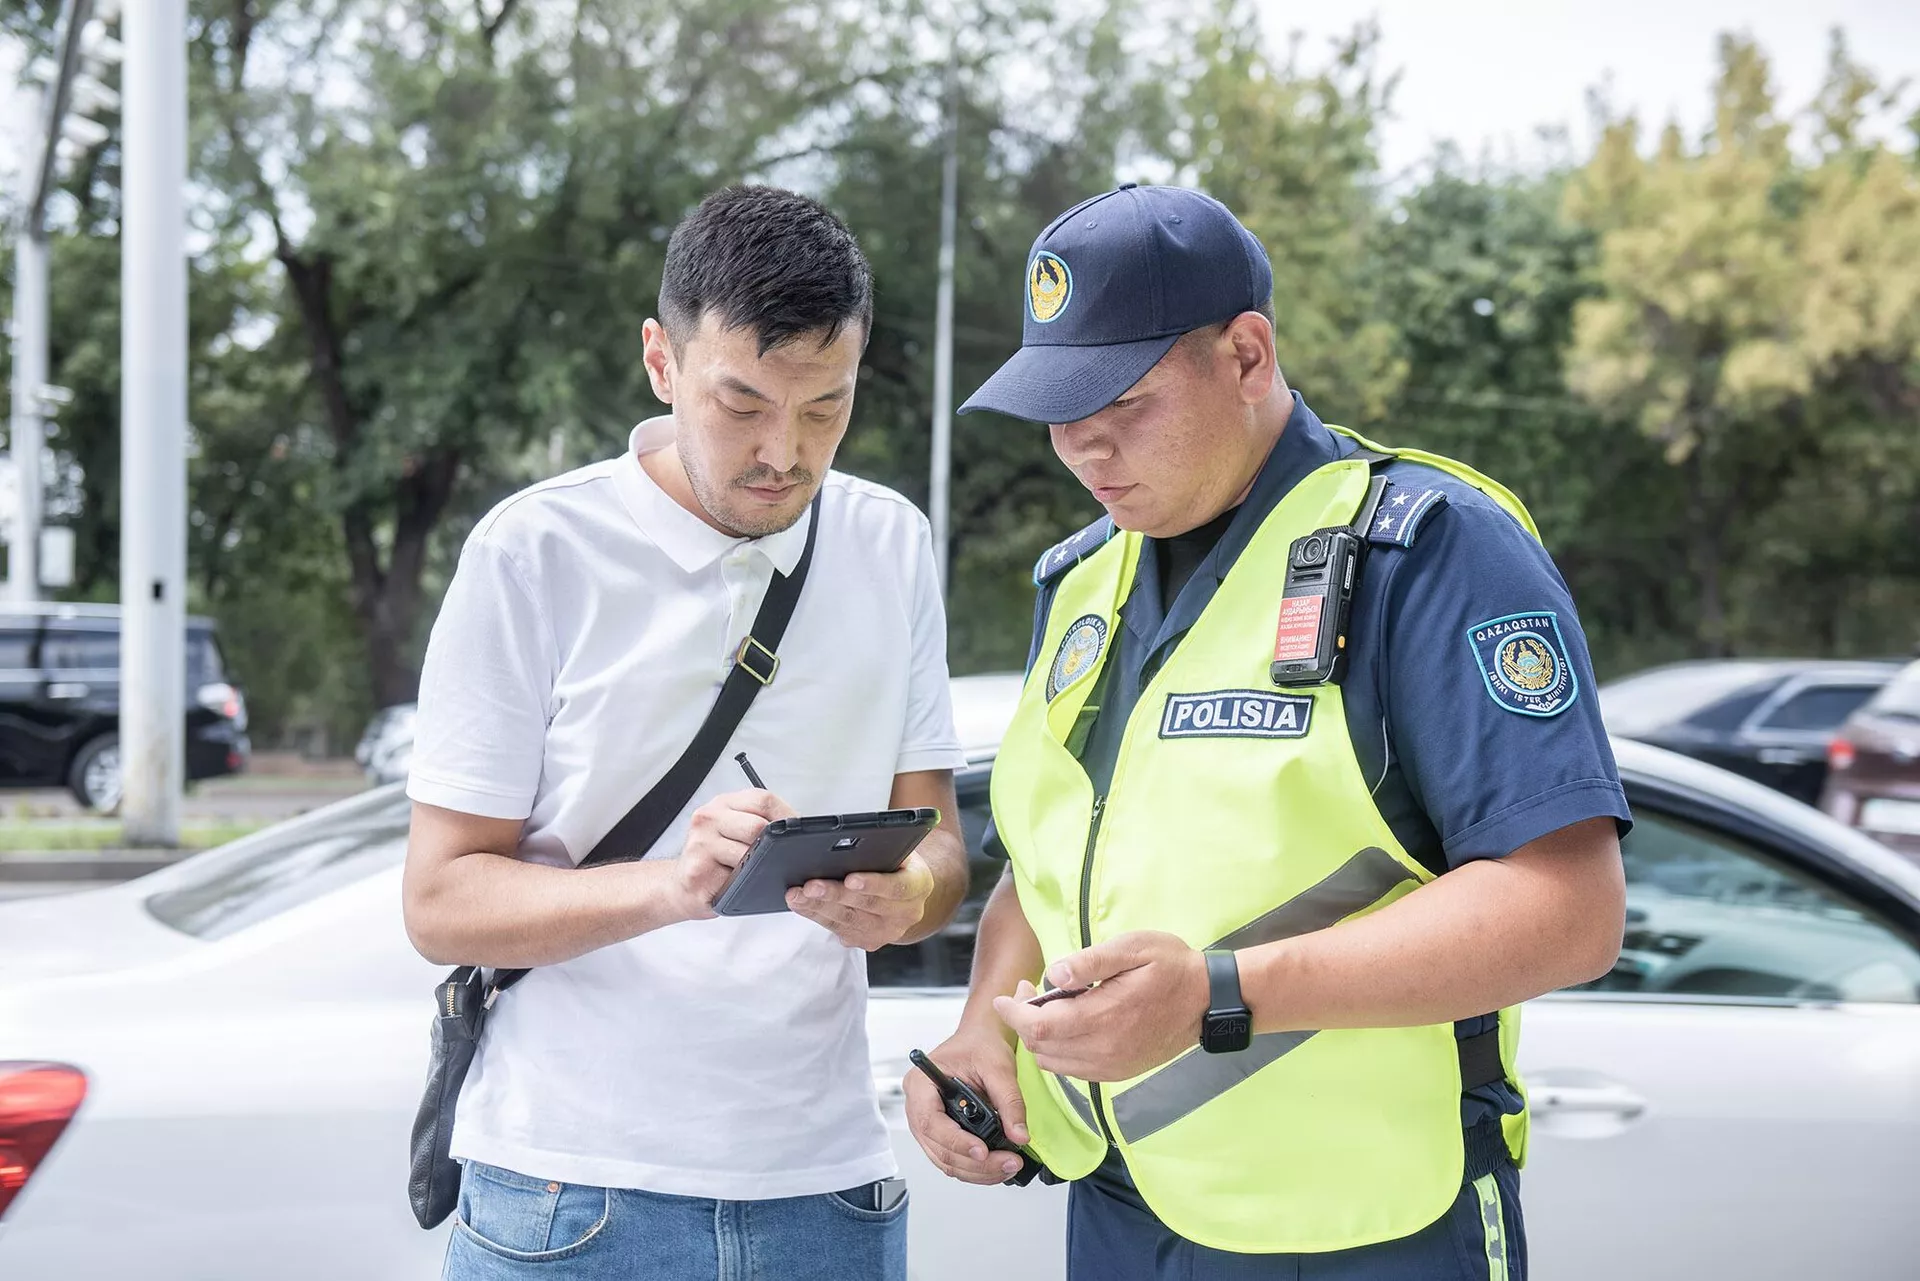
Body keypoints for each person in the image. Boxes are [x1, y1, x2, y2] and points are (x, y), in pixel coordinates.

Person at [905, 184, 1630, 1280]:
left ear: (1247, 355)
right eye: (1061, 411)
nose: (1088, 448)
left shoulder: (1429, 553)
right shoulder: (1085, 579)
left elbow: (1570, 912)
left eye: (1126, 402)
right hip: (1123, 1207)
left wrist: (1219, 995)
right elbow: (1050, 864)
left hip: (1370, 1229)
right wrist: (980, 1031)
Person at [401, 185, 971, 1281]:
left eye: (824, 408)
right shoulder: (534, 552)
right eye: (743, 403)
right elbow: (439, 902)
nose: (785, 452)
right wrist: (675, 886)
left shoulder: (892, 543)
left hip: (827, 1190)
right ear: (662, 363)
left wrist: (904, 899)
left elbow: (942, 849)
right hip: (570, 1191)